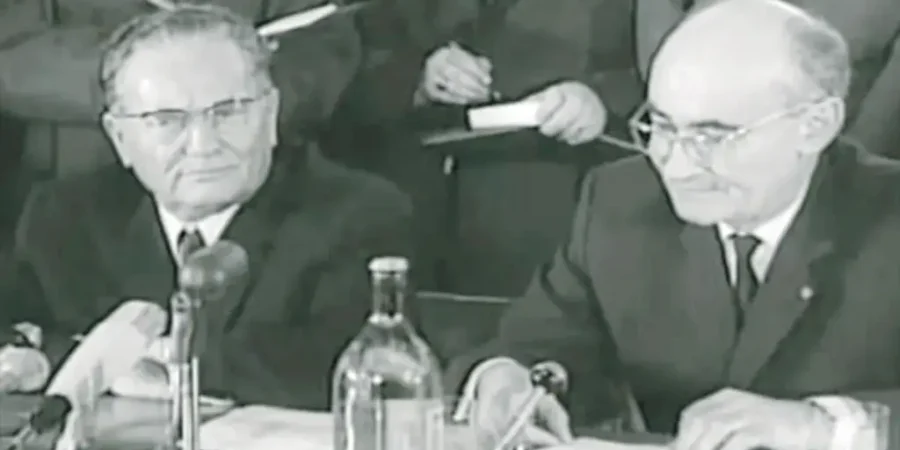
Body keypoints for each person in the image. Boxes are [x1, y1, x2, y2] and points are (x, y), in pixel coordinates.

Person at [445, 0, 900, 449]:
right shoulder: (621, 199)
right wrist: (506, 380)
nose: (676, 168)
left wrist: (820, 426)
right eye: (661, 126)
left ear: (816, 125)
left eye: (712, 136)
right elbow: (533, 345)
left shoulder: (887, 215)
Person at [0, 4, 410, 409]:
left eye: (227, 112)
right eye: (167, 120)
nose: (203, 144)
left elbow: (339, 366)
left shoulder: (361, 215)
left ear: (270, 115)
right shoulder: (63, 218)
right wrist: (39, 359)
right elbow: (21, 332)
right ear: (119, 136)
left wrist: (163, 368)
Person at [0, 0, 360, 178]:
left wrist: (230, 98)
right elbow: (12, 54)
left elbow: (322, 50)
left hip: (257, 194)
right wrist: (157, 72)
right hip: (76, 196)